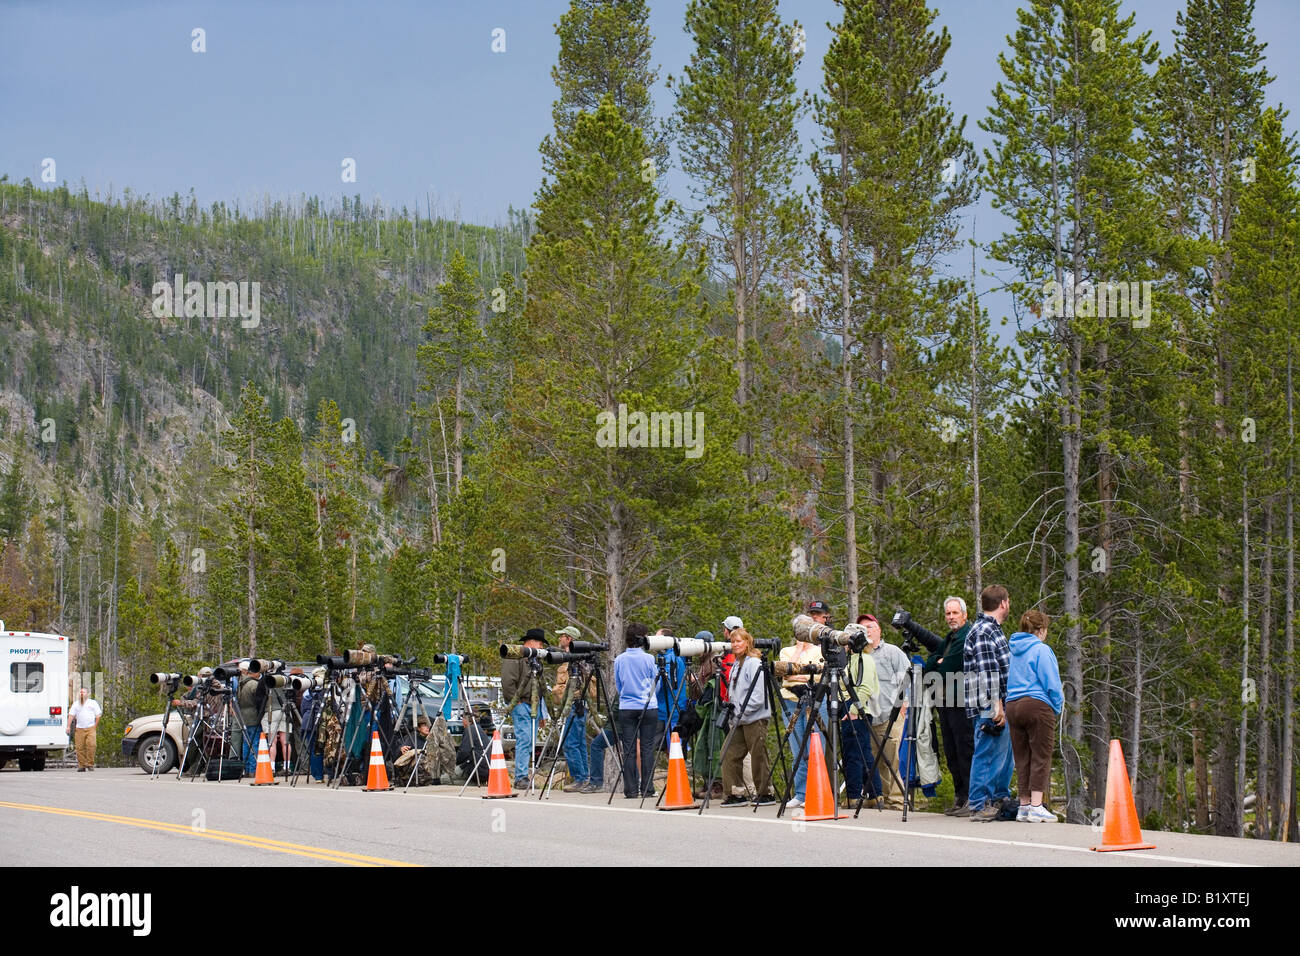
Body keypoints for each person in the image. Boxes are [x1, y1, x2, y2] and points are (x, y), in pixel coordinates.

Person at [964, 584, 1015, 822]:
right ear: (1003, 603)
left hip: (998, 701)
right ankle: (978, 803)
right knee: (986, 751)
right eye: (1008, 601)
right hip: (989, 703)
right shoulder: (984, 630)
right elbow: (989, 672)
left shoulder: (992, 630)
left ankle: (998, 798)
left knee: (1002, 754)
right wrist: (998, 706)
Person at [1006, 609, 1063, 823]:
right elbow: (1052, 683)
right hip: (1036, 704)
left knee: (1022, 757)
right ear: (1040, 631)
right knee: (1041, 754)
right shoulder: (1041, 650)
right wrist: (1056, 707)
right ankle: (1037, 805)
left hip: (1013, 705)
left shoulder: (1013, 651)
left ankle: (1024, 804)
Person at [779, 601, 827, 809]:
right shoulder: (786, 651)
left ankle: (816, 790)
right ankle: (800, 792)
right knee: (797, 748)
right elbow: (785, 675)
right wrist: (799, 651)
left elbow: (817, 677)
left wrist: (797, 674)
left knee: (815, 747)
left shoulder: (819, 651)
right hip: (790, 702)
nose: (802, 633)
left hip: (814, 702)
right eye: (800, 629)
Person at [929, 597, 975, 815]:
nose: (951, 617)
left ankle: (970, 797)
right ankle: (959, 797)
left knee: (964, 748)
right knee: (951, 750)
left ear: (964, 615)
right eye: (948, 613)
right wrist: (936, 662)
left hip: (962, 701)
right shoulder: (949, 637)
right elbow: (932, 662)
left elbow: (947, 668)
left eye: (955, 613)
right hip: (945, 701)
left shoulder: (966, 636)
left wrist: (939, 663)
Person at [719, 628, 774, 806]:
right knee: (728, 752)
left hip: (754, 717)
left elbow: (758, 695)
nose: (735, 645)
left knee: (758, 754)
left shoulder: (754, 663)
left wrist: (743, 711)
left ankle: (766, 792)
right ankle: (735, 793)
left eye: (739, 641)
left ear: (747, 642)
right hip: (739, 718)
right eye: (733, 642)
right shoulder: (737, 663)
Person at [863, 614, 911, 810]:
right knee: (874, 760)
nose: (866, 630)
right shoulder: (859, 656)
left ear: (879, 630)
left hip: (891, 715)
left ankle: (898, 801)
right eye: (862, 627)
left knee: (892, 759)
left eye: (870, 626)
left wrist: (904, 707)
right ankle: (881, 797)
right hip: (868, 717)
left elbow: (907, 679)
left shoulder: (892, 652)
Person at [501, 627, 549, 789]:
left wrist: (543, 712)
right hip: (521, 702)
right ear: (531, 642)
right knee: (525, 739)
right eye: (540, 644)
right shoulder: (515, 657)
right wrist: (515, 702)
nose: (542, 648)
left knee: (530, 741)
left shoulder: (535, 661)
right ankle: (521, 776)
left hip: (534, 704)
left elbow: (540, 688)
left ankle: (524, 774)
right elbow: (508, 681)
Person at [614, 622, 658, 798]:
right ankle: (647, 788)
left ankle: (631, 789)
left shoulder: (619, 659)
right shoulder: (649, 659)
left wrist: (626, 695)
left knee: (629, 749)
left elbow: (618, 684)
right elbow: (657, 681)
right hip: (647, 706)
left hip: (627, 706)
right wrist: (650, 695)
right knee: (647, 748)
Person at [840, 626, 880, 806]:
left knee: (854, 754)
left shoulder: (865, 660)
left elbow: (865, 688)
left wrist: (854, 710)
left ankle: (855, 794)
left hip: (857, 707)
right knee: (862, 752)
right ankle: (874, 794)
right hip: (853, 706)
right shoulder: (852, 659)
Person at [552, 625, 595, 789]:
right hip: (578, 706)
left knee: (570, 743)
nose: (559, 639)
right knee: (579, 743)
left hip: (575, 704)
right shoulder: (572, 658)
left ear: (569, 639)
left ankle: (580, 778)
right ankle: (584, 777)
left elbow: (579, 684)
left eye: (562, 636)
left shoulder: (576, 659)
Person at [653, 627, 689, 752]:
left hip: (672, 710)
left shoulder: (672, 659)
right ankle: (671, 772)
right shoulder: (667, 656)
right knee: (669, 748)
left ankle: (675, 772)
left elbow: (663, 684)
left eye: (657, 638)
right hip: (665, 709)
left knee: (674, 748)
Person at [236, 663, 266, 775]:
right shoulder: (254, 684)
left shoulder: (241, 684)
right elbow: (259, 700)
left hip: (243, 716)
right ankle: (254, 769)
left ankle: (247, 768)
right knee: (255, 743)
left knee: (246, 744)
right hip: (254, 716)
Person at [67, 687, 101, 771]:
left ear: (88, 694)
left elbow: (98, 716)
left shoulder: (93, 703)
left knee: (91, 745)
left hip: (90, 728)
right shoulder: (76, 704)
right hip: (79, 729)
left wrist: (94, 727)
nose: (82, 693)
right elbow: (71, 715)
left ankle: (90, 764)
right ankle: (81, 766)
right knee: (79, 747)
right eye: (81, 692)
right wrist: (68, 726)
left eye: (84, 692)